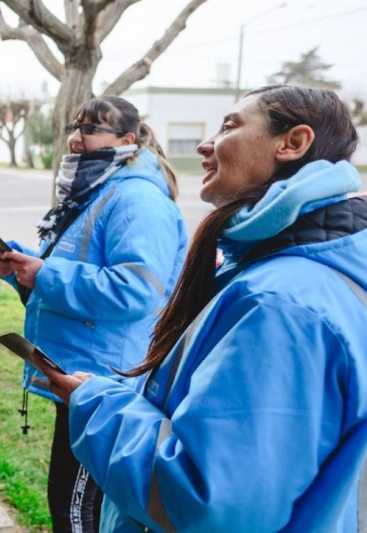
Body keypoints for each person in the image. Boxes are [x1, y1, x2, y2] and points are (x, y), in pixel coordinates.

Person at [42, 85, 367, 532]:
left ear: (292, 143)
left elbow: (209, 504)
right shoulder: (286, 266)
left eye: (231, 125)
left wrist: (97, 403)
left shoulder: (280, 304)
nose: (204, 144)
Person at [0, 96, 188, 532]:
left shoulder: (138, 200)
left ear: (127, 140)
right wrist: (25, 271)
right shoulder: (99, 187)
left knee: (78, 511)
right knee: (65, 500)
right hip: (80, 375)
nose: (76, 139)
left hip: (108, 382)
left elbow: (134, 290)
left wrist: (45, 274)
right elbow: (78, 272)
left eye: (91, 129)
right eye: (75, 128)